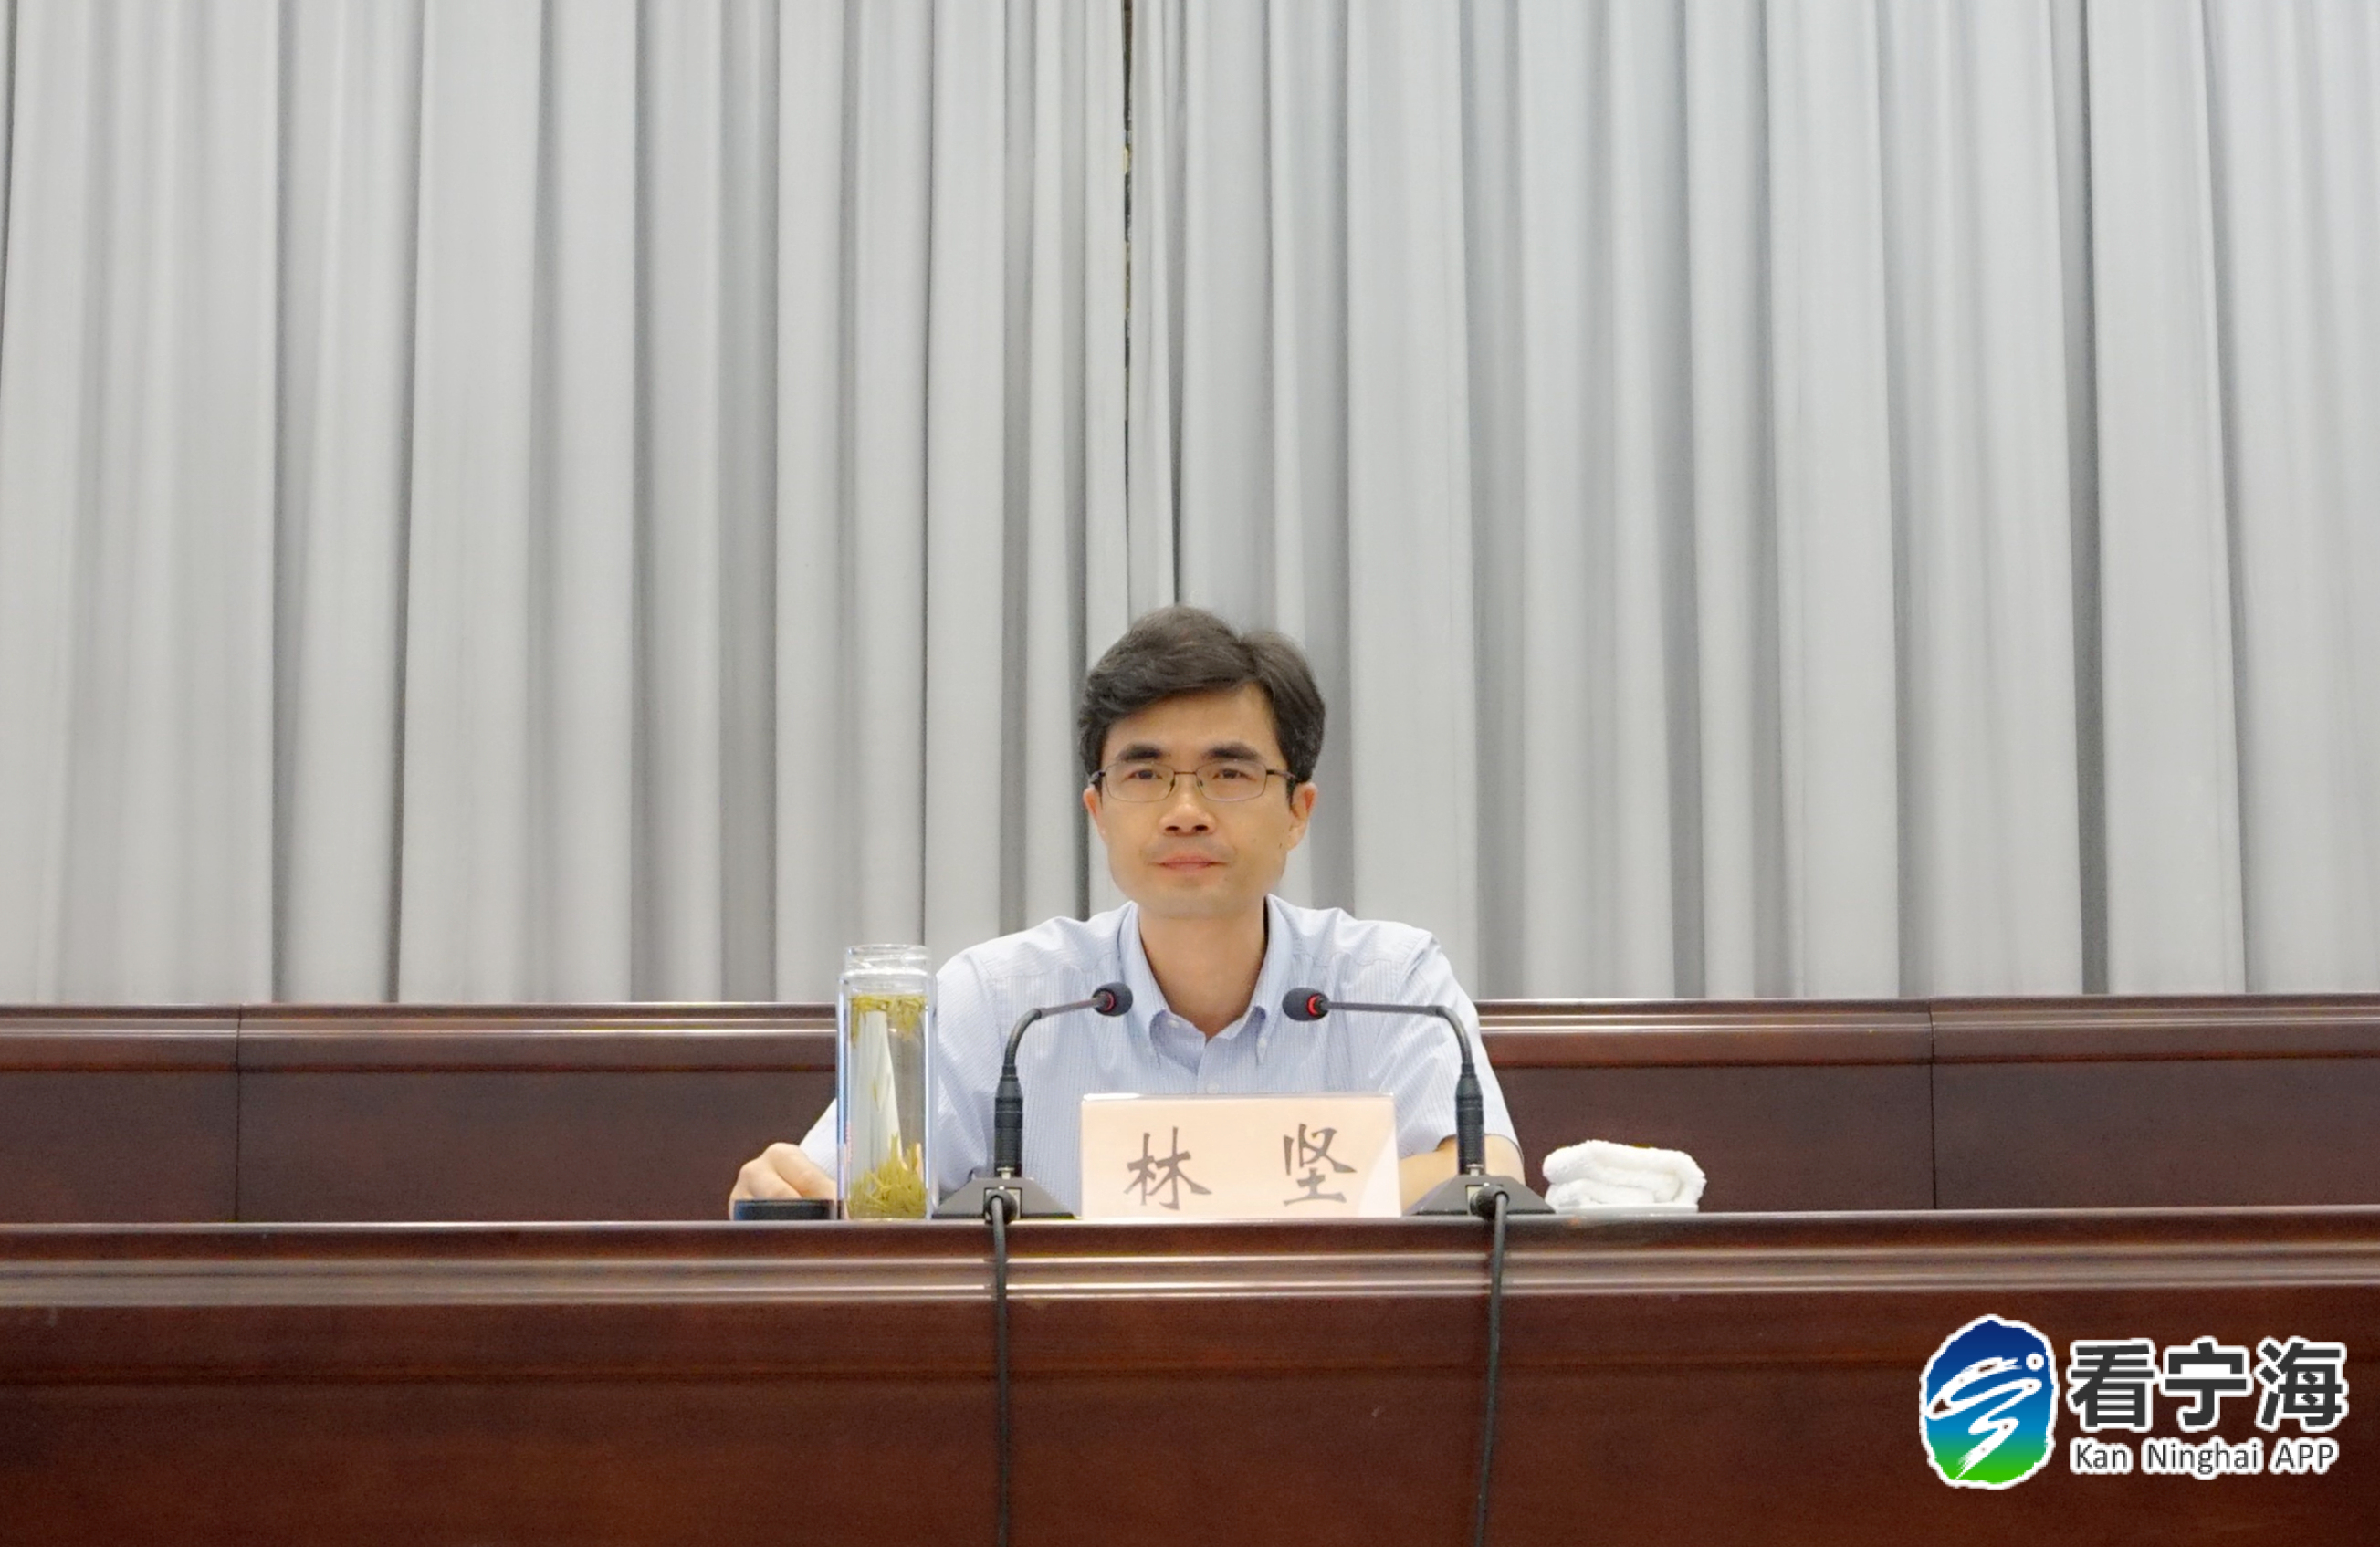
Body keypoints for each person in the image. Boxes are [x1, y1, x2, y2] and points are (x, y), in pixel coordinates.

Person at [731, 605, 1522, 1213]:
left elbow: (1485, 1172)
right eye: (1144, 776)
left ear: (1297, 811)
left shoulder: (1388, 980)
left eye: (1229, 774)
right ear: (1098, 812)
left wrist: (1191, 1199)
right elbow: (844, 1191)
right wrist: (789, 1189)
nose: (1186, 812)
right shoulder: (1001, 1002)